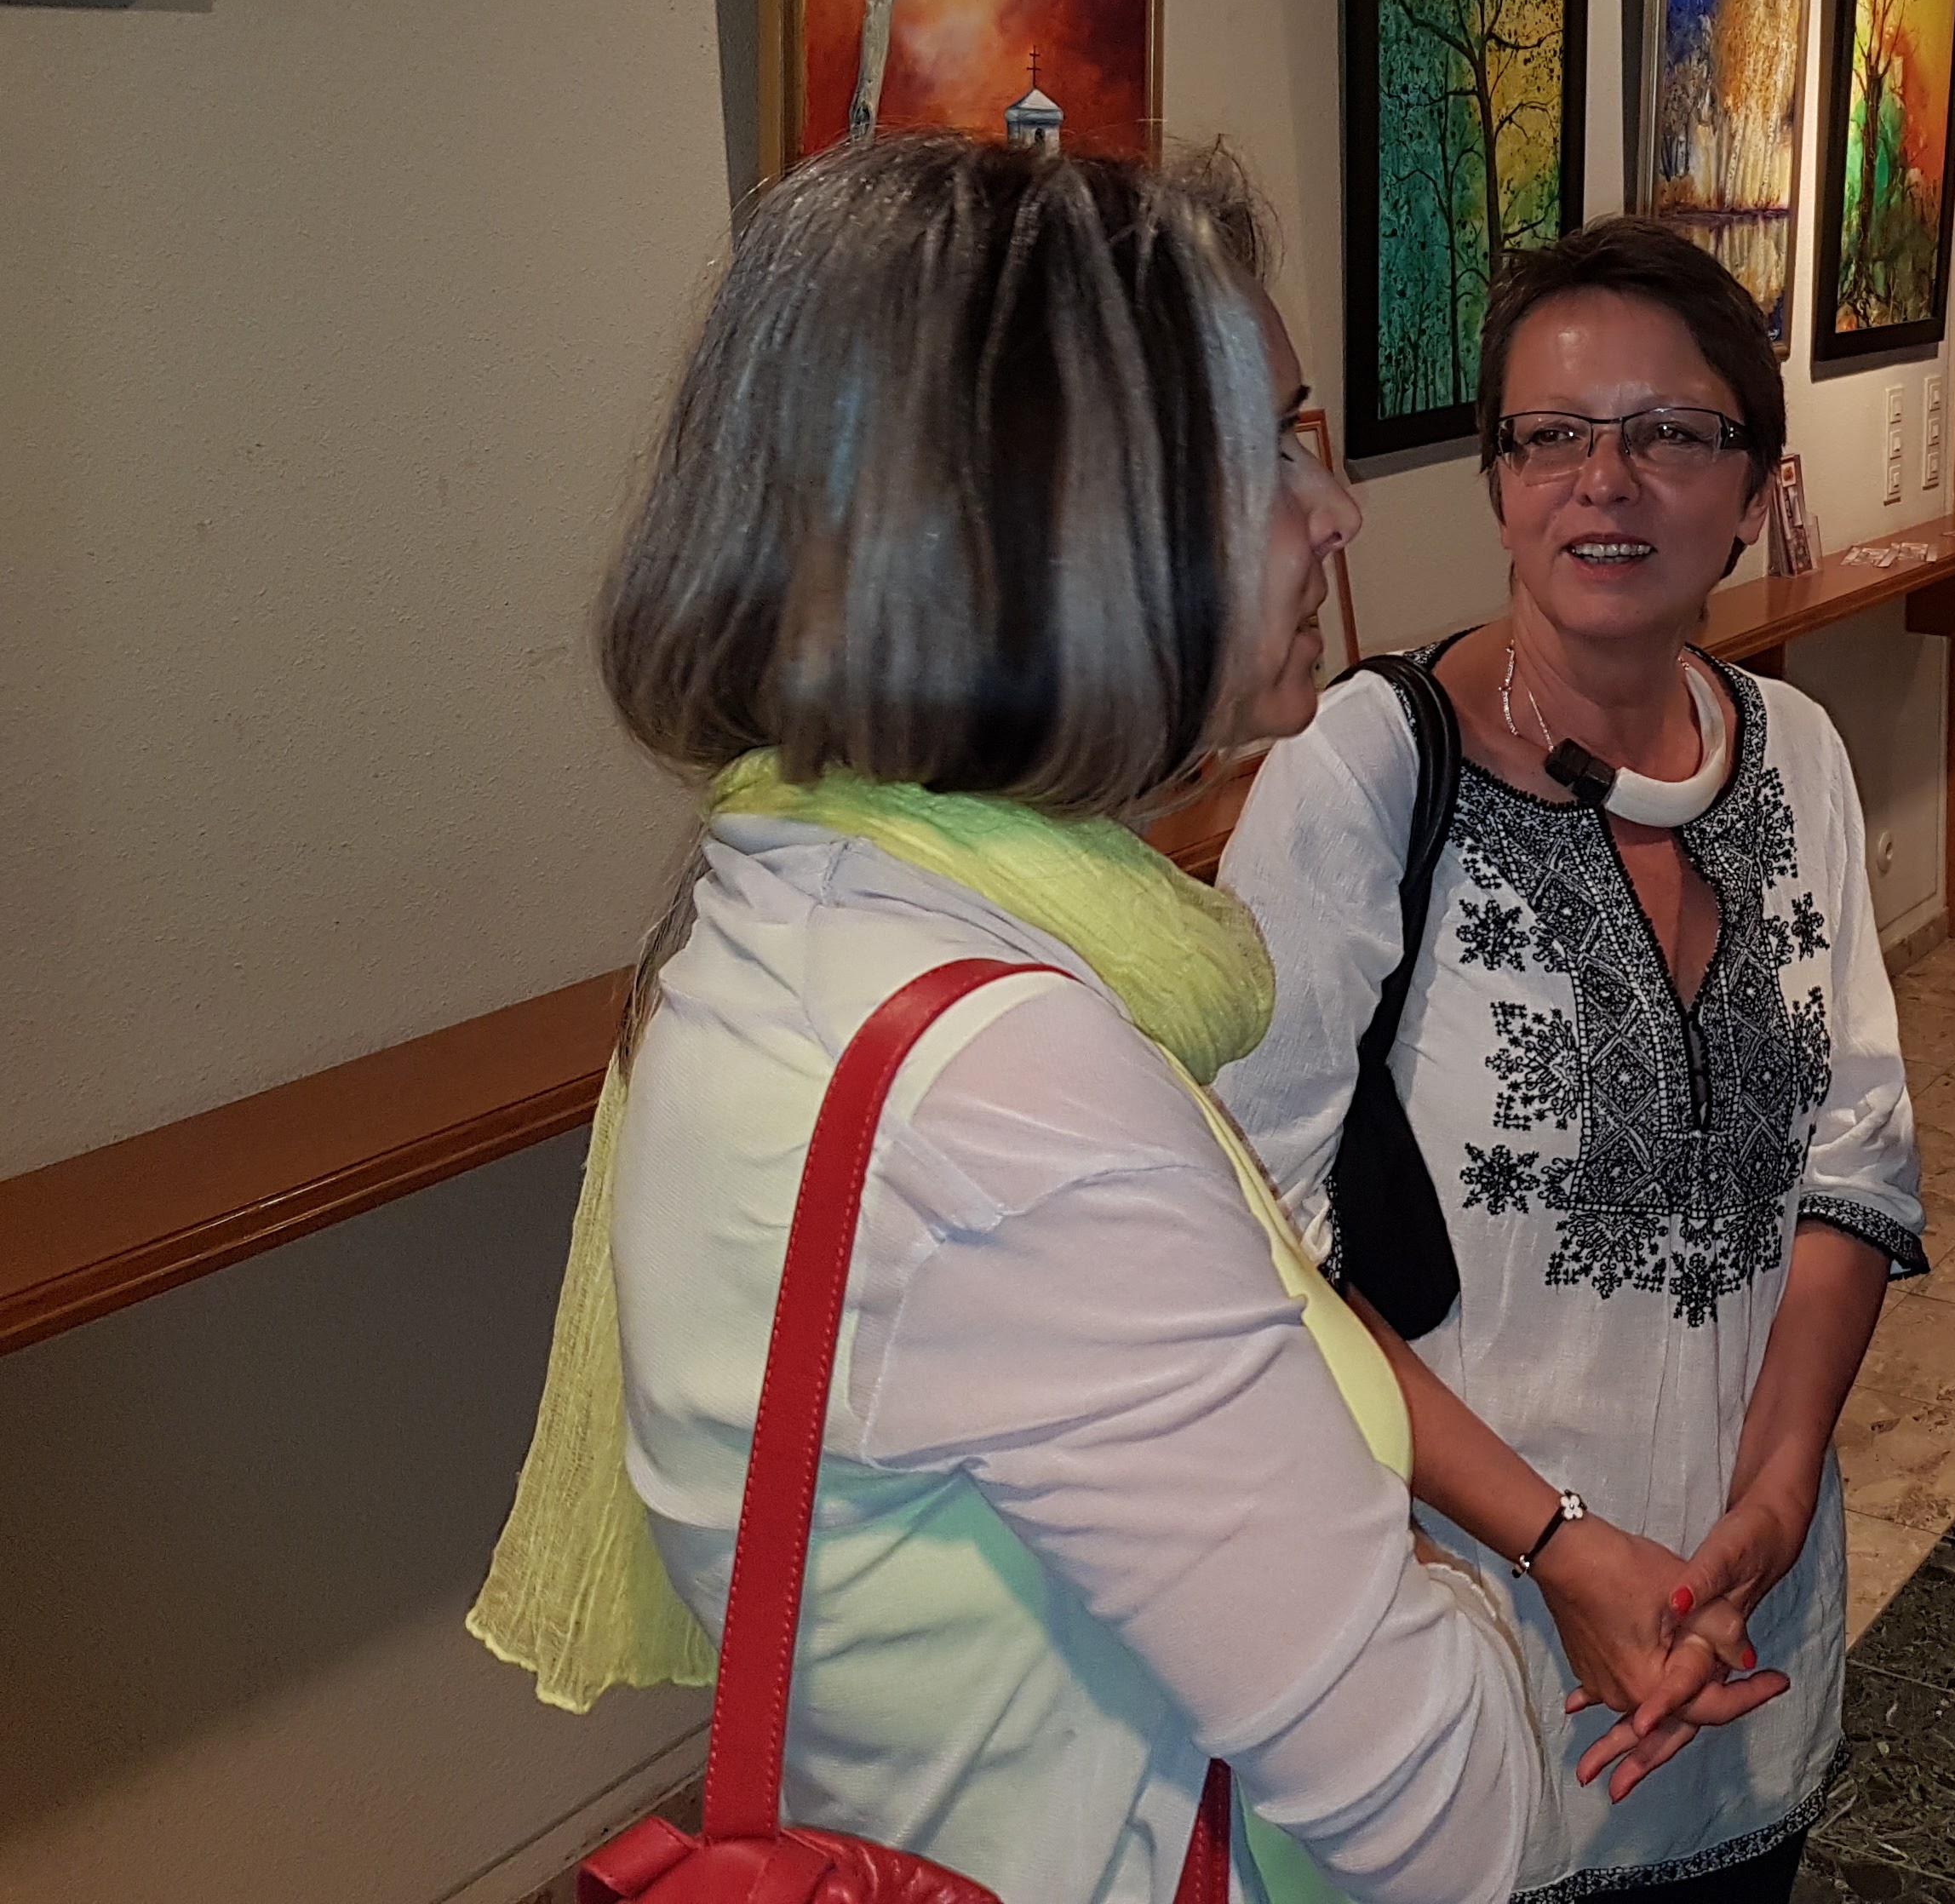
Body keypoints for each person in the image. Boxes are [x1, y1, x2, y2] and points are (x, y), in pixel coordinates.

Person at [470, 136, 1542, 1904]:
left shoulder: (783, 908)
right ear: (1054, 527)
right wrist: (1474, 1608)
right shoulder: (1002, 1096)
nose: (1338, 507)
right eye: (1272, 446)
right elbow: (1452, 1816)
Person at [1218, 216, 1926, 1904]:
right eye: (1551, 436)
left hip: (1743, 1632)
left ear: (1750, 483)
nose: (1604, 482)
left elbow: (1857, 1154)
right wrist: (1556, 1543)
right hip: (1464, 1635)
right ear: (1499, 478)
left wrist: (1769, 1507)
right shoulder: (1362, 775)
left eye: (1670, 432)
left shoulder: (1800, 751)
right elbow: (1259, 1250)